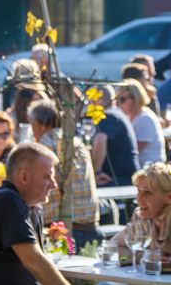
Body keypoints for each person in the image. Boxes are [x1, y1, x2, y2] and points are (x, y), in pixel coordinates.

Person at [0, 142, 70, 285]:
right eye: (47, 177)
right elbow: (33, 261)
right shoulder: (7, 200)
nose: (54, 184)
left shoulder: (30, 207)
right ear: (24, 177)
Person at [28, 99, 101, 250]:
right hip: (90, 227)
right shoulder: (75, 141)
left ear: (38, 124)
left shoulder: (42, 149)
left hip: (62, 231)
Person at [90, 85, 140, 187]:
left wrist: (95, 173)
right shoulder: (117, 114)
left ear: (99, 100)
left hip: (120, 179)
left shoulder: (109, 116)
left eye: (91, 100)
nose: (90, 104)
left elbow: (100, 141)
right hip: (125, 176)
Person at [116, 79, 165, 166]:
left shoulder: (146, 119)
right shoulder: (128, 116)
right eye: (118, 100)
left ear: (135, 98)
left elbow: (134, 149)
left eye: (122, 99)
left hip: (150, 170)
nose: (119, 103)